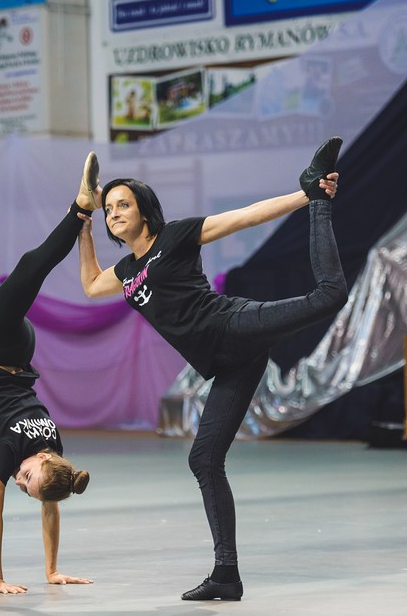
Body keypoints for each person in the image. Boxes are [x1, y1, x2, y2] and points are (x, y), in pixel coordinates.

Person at [77, 137, 347, 601]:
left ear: (144, 209)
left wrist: (307, 196)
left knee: (329, 296)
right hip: (226, 363)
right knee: (203, 459)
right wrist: (82, 221)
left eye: (123, 204)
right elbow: (88, 285)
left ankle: (319, 203)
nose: (113, 213)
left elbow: (244, 216)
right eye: (108, 209)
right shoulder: (125, 271)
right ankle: (226, 575)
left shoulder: (175, 237)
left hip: (233, 325)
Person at [0, 158, 99, 595]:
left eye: (23, 486)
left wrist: (52, 571)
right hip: (1, 351)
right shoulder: (9, 453)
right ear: (44, 461)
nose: (18, 481)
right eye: (27, 478)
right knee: (31, 269)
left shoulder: (55, 454)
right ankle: (81, 207)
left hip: (5, 358)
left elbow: (51, 505)